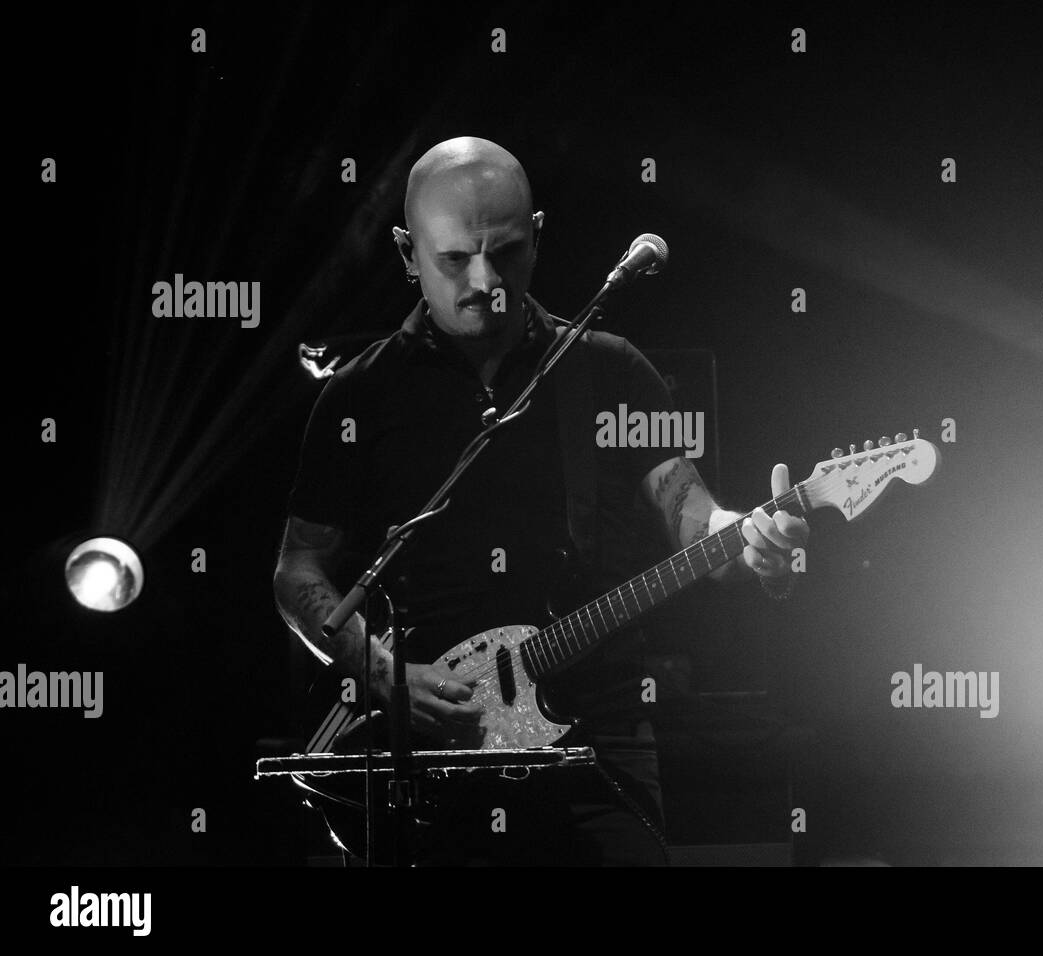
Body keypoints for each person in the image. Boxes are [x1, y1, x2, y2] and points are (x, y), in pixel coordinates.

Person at [272, 136, 809, 865]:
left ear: (540, 237)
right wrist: (380, 671)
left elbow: (692, 517)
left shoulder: (610, 371)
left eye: (507, 252)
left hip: (598, 735)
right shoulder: (360, 397)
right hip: (427, 751)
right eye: (454, 259)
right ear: (406, 252)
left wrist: (751, 540)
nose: (484, 281)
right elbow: (300, 571)